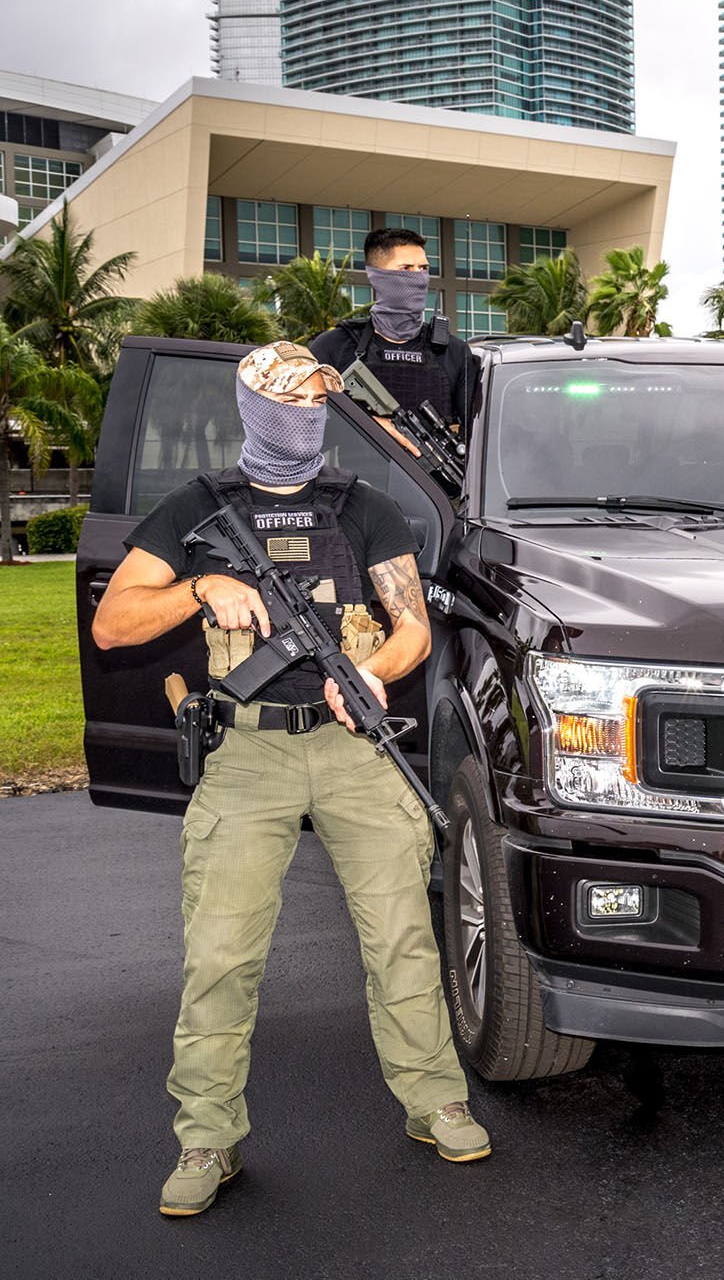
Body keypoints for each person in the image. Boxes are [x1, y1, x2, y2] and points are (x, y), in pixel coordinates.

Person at [92, 341, 488, 1218]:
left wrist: (377, 671)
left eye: (321, 401)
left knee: (400, 937)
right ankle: (206, 1136)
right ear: (259, 412)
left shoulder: (364, 508)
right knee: (222, 954)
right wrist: (203, 588)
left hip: (354, 747)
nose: (311, 415)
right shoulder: (198, 509)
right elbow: (114, 623)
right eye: (295, 403)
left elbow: (412, 625)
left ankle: (436, 1099)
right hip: (247, 753)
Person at [311, 226, 478, 441]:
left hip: (433, 473)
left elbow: (474, 430)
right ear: (377, 276)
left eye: (424, 268)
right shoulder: (334, 345)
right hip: (358, 474)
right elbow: (306, 418)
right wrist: (366, 424)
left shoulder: (454, 351)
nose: (418, 277)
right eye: (406, 268)